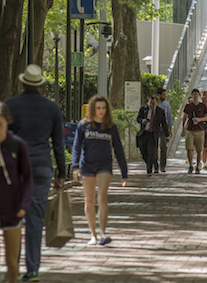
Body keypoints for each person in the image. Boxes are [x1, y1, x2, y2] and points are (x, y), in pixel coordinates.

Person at [6, 64, 66, 283]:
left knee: (12, 219)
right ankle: (32, 270)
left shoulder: (10, 106)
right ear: (41, 85)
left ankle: (12, 266)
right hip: (41, 167)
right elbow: (58, 144)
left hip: (14, 168)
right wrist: (61, 172)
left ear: (22, 83)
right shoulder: (51, 108)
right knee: (34, 219)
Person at [72, 95, 128, 246]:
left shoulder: (110, 126)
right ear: (92, 109)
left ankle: (103, 233)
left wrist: (124, 173)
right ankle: (93, 235)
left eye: (103, 108)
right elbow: (76, 147)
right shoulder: (84, 125)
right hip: (87, 165)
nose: (101, 111)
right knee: (89, 201)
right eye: (98, 108)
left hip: (104, 165)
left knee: (102, 198)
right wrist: (75, 167)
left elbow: (118, 150)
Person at [0, 102, 33, 283]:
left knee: (12, 262)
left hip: (12, 210)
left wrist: (24, 205)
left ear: (7, 123)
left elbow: (28, 177)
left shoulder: (17, 145)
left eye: (0, 125)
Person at [136, 94, 169, 176]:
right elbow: (138, 118)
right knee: (144, 152)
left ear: (157, 103)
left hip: (153, 135)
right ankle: (153, 163)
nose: (151, 105)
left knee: (151, 152)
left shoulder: (160, 111)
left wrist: (167, 135)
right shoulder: (143, 109)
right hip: (144, 134)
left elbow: (164, 124)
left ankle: (149, 170)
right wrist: (143, 121)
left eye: (153, 104)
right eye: (150, 103)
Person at [181, 89, 207, 173]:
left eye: (197, 94)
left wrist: (200, 119)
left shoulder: (202, 106)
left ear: (199, 96)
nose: (195, 96)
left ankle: (197, 166)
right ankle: (190, 165)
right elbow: (184, 117)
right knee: (189, 148)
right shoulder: (188, 106)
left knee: (199, 149)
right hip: (190, 129)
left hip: (200, 130)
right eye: (194, 94)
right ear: (192, 95)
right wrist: (183, 128)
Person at [157, 88, 173, 173]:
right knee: (154, 147)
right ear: (159, 95)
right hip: (155, 128)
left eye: (165, 94)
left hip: (164, 127)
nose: (165, 96)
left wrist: (170, 130)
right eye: (164, 94)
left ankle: (162, 165)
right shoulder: (154, 103)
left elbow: (169, 117)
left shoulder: (166, 104)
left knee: (163, 146)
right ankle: (155, 165)